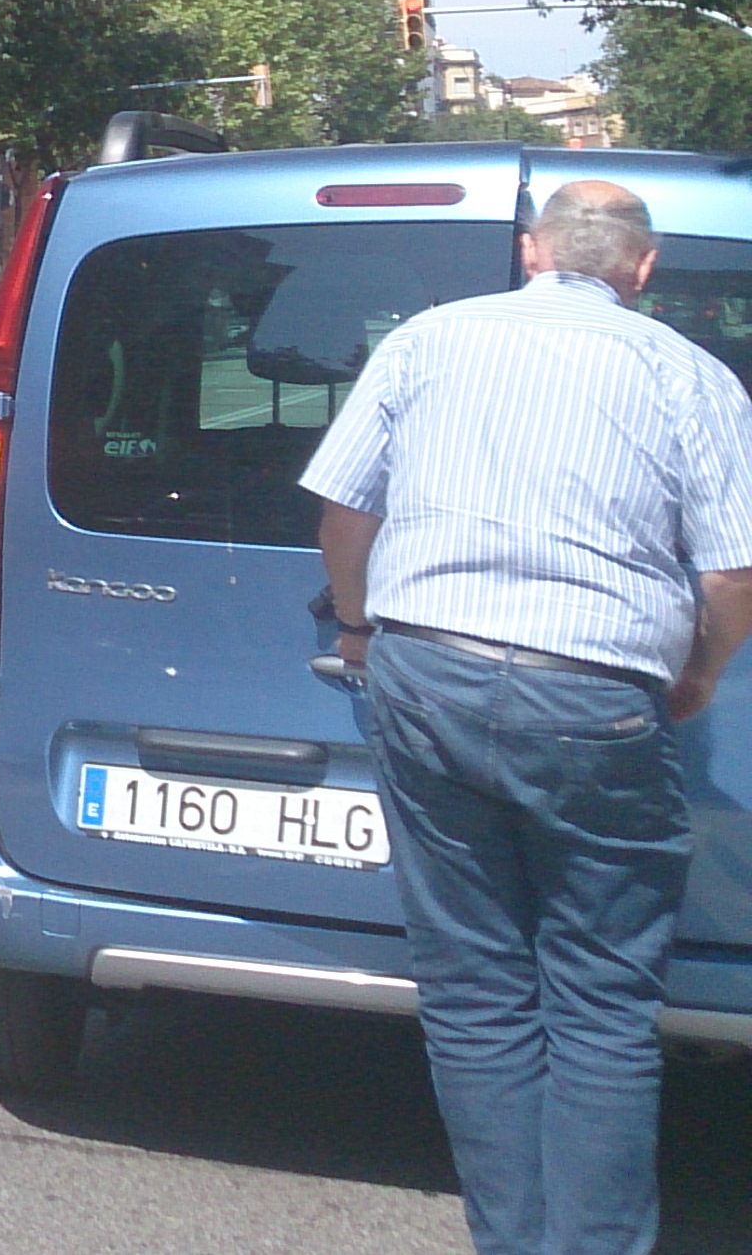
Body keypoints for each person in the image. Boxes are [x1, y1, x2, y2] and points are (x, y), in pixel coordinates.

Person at [304, 180, 752, 1255]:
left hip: (427, 671)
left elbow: (342, 511)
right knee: (598, 1002)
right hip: (596, 693)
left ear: (528, 250)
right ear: (641, 269)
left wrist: (359, 631)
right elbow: (731, 574)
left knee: (472, 989)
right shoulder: (688, 374)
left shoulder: (426, 341)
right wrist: (693, 673)